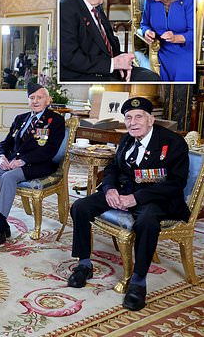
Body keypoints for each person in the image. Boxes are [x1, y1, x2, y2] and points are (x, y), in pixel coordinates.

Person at [66, 97, 190, 311]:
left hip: (156, 198)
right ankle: (84, 264)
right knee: (80, 207)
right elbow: (113, 168)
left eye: (139, 117)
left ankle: (138, 282)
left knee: (147, 222)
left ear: (151, 119)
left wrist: (136, 199)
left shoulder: (173, 143)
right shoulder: (126, 140)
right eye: (128, 118)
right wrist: (110, 189)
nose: (133, 122)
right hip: (123, 191)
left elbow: (176, 184)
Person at [0, 82, 65, 248]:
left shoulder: (55, 120)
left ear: (48, 100)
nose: (35, 101)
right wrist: (1, 157)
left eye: (40, 97)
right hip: (12, 161)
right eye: (32, 98)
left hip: (37, 165)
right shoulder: (21, 119)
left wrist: (23, 161)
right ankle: (0, 223)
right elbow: (6, 143)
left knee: (8, 178)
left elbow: (50, 150)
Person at [59, 0, 160, 82]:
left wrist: (123, 61)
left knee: (152, 78)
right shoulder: (65, 9)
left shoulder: (95, 5)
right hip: (87, 74)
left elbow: (111, 41)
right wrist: (113, 64)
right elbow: (70, 58)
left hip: (110, 67)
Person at [140, 0, 194, 82]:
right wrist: (147, 32)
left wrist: (175, 38)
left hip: (185, 48)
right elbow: (144, 24)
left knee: (183, 72)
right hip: (162, 48)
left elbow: (194, 33)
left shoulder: (188, 0)